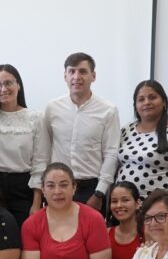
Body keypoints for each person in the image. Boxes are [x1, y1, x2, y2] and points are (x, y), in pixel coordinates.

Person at [31, 52, 119, 212]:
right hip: (58, 187)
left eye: (83, 71)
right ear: (65, 76)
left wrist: (99, 192)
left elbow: (111, 154)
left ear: (93, 76)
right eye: (72, 71)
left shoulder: (108, 110)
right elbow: (42, 153)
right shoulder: (52, 108)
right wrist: (41, 192)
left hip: (91, 188)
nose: (76, 77)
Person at [0, 64, 40, 226]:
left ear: (18, 85)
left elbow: (40, 163)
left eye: (8, 83)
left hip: (23, 188)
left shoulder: (35, 118)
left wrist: (37, 203)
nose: (3, 89)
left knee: (22, 238)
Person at [116, 80, 168, 198]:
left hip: (156, 210)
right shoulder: (125, 130)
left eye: (152, 97)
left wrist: (166, 205)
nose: (146, 102)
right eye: (141, 99)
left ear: (164, 102)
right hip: (123, 207)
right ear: (135, 106)